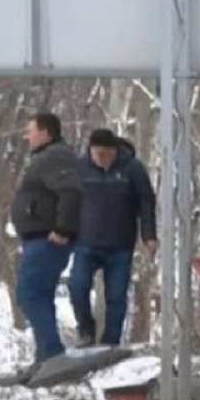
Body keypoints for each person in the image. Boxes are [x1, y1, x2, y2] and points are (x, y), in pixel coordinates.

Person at [68, 128, 158, 348]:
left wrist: (149, 235)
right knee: (77, 286)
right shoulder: (79, 169)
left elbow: (146, 203)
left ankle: (111, 342)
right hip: (86, 241)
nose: (102, 160)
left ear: (115, 151)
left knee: (116, 296)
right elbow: (68, 201)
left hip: (120, 244)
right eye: (97, 154)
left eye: (106, 155)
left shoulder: (133, 169)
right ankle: (86, 329)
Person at [10, 112, 83, 372]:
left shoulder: (54, 156)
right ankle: (45, 357)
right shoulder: (47, 158)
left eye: (31, 130)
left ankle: (52, 355)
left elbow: (71, 191)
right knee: (39, 295)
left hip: (47, 239)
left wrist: (62, 228)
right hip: (38, 238)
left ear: (46, 133)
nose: (26, 136)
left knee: (29, 294)